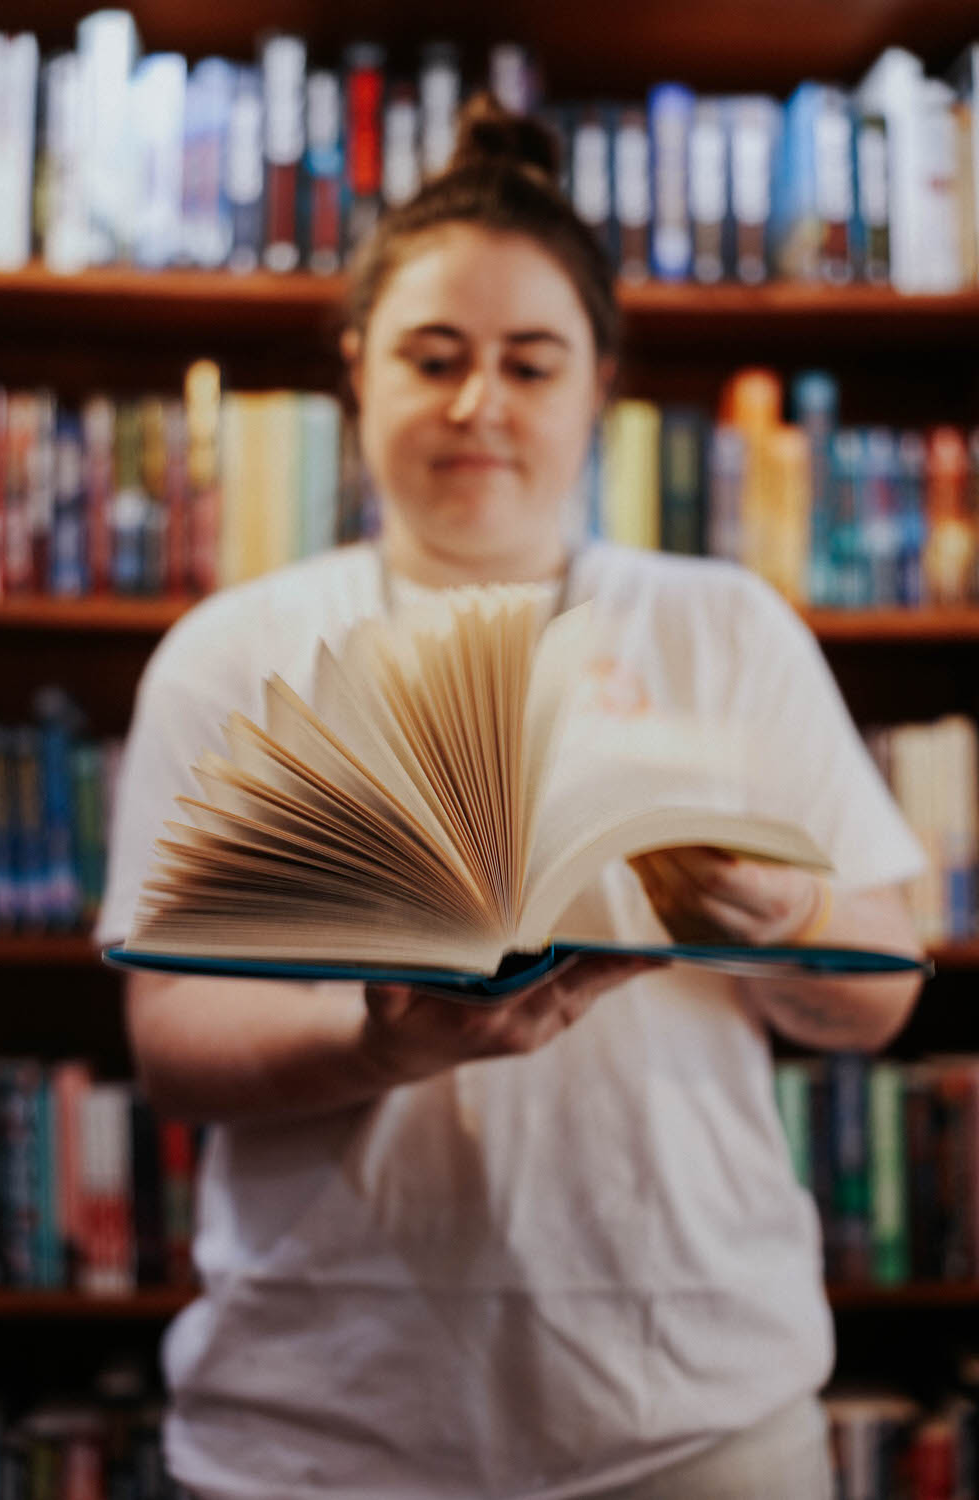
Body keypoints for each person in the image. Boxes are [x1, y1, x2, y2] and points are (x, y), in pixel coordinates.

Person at [97, 96, 926, 1500]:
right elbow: (171, 1041)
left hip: (692, 1414)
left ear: (599, 383)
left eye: (531, 364)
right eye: (434, 358)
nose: (481, 404)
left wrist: (779, 907)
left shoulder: (725, 629)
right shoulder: (231, 654)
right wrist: (381, 1048)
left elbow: (884, 986)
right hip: (316, 1429)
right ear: (358, 370)